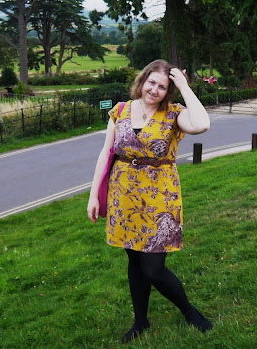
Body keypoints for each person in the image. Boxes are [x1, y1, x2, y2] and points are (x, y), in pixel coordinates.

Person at [87, 59, 212, 343]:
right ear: (142, 81)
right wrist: (94, 194)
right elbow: (106, 152)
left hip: (159, 199)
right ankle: (141, 321)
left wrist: (183, 85)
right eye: (151, 82)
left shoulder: (174, 114)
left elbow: (202, 124)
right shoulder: (120, 111)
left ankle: (189, 312)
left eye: (162, 86)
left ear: (168, 91)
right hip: (124, 196)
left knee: (153, 269)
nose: (154, 89)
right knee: (134, 259)